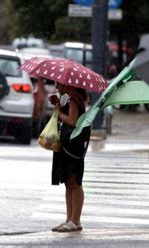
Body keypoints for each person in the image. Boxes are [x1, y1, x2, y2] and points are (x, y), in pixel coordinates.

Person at [48, 83, 91, 232]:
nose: (57, 87)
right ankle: (69, 219)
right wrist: (58, 104)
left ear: (67, 85)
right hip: (69, 145)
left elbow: (72, 121)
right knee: (68, 183)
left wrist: (58, 112)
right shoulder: (71, 99)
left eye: (58, 84)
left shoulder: (74, 99)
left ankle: (75, 220)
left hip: (73, 146)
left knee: (74, 182)